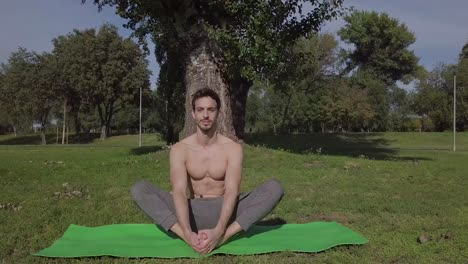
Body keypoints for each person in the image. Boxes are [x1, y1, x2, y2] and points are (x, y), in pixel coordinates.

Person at [131, 88, 284, 254]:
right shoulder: (179, 149)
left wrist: (219, 230)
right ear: (193, 113)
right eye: (200, 110)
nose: (205, 115)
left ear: (219, 113)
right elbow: (180, 192)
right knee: (140, 189)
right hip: (192, 211)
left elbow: (232, 191)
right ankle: (185, 236)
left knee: (274, 188)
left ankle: (224, 236)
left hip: (227, 210)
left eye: (211, 110)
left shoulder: (233, 148)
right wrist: (188, 232)